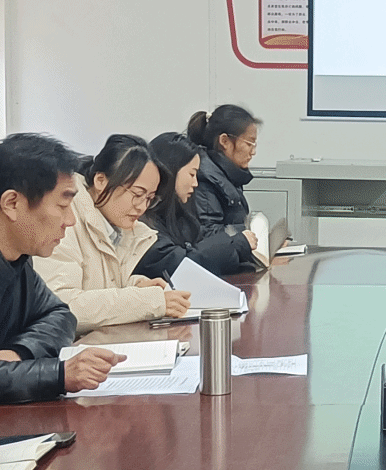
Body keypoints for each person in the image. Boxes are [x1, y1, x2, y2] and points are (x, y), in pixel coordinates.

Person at [0, 133, 122, 404]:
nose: (70, 220)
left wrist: (21, 352)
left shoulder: (15, 255)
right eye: (62, 205)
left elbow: (60, 315)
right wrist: (57, 375)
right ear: (12, 203)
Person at [39, 134, 193, 334]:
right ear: (101, 180)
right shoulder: (66, 219)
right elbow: (64, 305)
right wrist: (147, 301)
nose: (142, 207)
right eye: (137, 194)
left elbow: (99, 286)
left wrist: (136, 286)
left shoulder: (117, 226)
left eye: (149, 198)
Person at [133, 131, 239, 282]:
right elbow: (182, 265)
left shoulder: (179, 213)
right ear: (171, 171)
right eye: (191, 174)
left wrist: (236, 241)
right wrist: (236, 244)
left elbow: (202, 240)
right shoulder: (142, 222)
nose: (195, 183)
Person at [183, 105, 264, 276]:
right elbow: (208, 235)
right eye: (249, 143)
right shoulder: (205, 178)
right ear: (225, 141)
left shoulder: (226, 174)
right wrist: (246, 239)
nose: (253, 152)